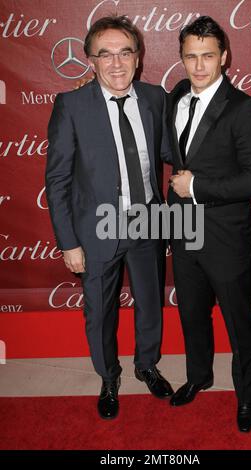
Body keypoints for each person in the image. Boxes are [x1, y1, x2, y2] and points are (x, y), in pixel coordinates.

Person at [45, 15, 173, 420]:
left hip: (148, 220)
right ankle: (108, 376)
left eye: (125, 52)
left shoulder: (156, 98)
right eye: (105, 54)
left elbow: (173, 150)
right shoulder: (71, 104)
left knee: (150, 301)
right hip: (96, 227)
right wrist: (68, 242)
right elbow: (58, 178)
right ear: (90, 60)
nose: (116, 63)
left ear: (138, 58)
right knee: (99, 310)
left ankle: (147, 364)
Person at [168, 16, 251, 432]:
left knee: (239, 320)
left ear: (224, 57)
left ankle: (246, 396)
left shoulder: (245, 109)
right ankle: (199, 376)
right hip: (182, 231)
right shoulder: (176, 94)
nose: (198, 66)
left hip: (227, 236)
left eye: (207, 56)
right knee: (192, 314)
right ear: (181, 57)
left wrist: (197, 186)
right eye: (190, 56)